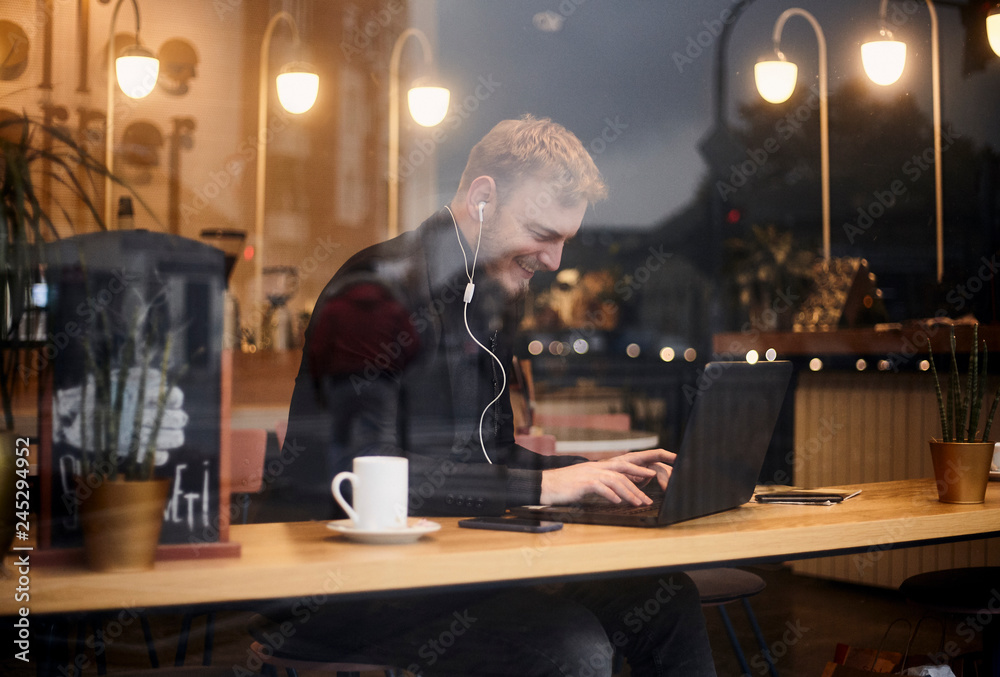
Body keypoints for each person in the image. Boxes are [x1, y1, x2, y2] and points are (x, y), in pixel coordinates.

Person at [262, 115, 717, 677]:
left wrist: (596, 474)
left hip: (457, 569)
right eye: (543, 234)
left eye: (564, 241)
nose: (555, 261)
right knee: (571, 648)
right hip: (353, 593)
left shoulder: (488, 298)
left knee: (666, 600)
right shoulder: (372, 292)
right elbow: (365, 471)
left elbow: (492, 457)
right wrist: (544, 484)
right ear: (482, 198)